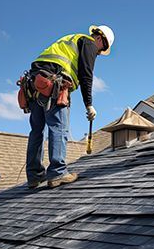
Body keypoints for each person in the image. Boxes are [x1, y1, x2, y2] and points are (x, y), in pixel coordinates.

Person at [25, 25, 115, 188]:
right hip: (53, 83)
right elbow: (86, 74)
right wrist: (89, 105)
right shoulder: (89, 43)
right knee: (58, 127)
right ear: (100, 39)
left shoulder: (71, 39)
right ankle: (58, 173)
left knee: (36, 130)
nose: (99, 53)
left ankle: (34, 176)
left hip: (35, 82)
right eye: (102, 49)